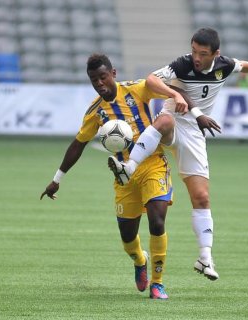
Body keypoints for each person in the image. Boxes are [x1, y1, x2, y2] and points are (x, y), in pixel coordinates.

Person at [108, 27, 248, 281]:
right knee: (164, 121)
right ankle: (129, 168)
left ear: (215, 54)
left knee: (202, 197)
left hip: (195, 133)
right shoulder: (183, 64)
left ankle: (205, 258)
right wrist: (174, 93)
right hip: (172, 120)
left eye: (202, 53)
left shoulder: (224, 65)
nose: (196, 57)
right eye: (194, 50)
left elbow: (243, 65)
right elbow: (151, 79)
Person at [40, 53, 187, 299]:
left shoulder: (137, 90)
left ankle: (158, 283)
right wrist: (57, 179)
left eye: (103, 77)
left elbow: (170, 90)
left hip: (153, 164)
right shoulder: (95, 112)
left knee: (157, 221)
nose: (99, 83)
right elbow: (78, 144)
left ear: (113, 74)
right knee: (128, 236)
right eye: (94, 79)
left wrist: (188, 105)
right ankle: (140, 260)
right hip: (123, 176)